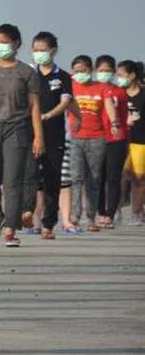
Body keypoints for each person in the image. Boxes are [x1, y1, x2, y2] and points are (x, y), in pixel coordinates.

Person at [0, 25, 44, 248]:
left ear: (16, 43)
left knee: (13, 180)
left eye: (4, 41)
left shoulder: (26, 73)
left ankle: (10, 228)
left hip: (17, 128)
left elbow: (35, 106)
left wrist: (39, 137)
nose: (0, 45)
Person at [31, 31, 74, 238]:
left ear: (53, 51)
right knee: (29, 178)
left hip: (55, 135)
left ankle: (48, 224)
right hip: (30, 135)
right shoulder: (29, 74)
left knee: (52, 181)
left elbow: (66, 102)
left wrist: (46, 116)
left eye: (43, 50)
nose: (39, 54)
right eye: (36, 50)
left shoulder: (63, 77)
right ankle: (29, 217)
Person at [66, 55, 106, 231]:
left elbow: (109, 111)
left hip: (97, 138)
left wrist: (114, 125)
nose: (79, 74)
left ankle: (91, 217)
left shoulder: (100, 88)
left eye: (83, 70)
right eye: (76, 71)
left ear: (91, 70)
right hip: (75, 138)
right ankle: (75, 215)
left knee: (94, 179)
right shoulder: (71, 86)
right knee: (76, 177)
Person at [97, 55, 129, 227]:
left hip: (117, 137)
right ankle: (100, 212)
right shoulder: (93, 90)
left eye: (108, 70)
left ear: (114, 71)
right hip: (97, 137)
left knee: (113, 177)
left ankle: (110, 213)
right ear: (95, 71)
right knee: (98, 178)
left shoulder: (120, 91)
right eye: (101, 71)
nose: (104, 74)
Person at [122, 60, 145, 225]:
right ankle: (114, 210)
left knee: (139, 178)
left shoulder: (143, 94)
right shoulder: (118, 93)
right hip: (120, 141)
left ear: (132, 75)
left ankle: (136, 212)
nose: (119, 78)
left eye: (121, 75)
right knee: (119, 177)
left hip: (140, 141)